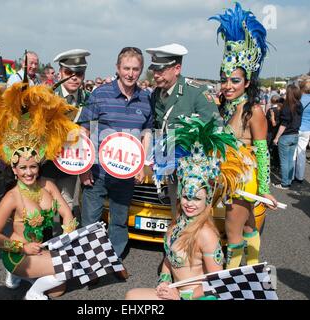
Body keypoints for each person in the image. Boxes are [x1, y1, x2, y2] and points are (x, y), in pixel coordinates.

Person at [0, 81, 79, 300]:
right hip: (18, 253)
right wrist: (21, 248)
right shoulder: (12, 197)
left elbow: (66, 213)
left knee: (58, 290)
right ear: (14, 170)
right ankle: (31, 292)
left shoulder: (48, 185)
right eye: (23, 168)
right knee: (67, 267)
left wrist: (67, 234)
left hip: (43, 248)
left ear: (39, 165)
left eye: (33, 166)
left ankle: (26, 278)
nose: (29, 172)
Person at [126, 117, 249, 300]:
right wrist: (164, 280)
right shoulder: (177, 224)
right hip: (175, 293)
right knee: (132, 296)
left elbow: (218, 282)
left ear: (207, 201)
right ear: (179, 196)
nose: (190, 203)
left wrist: (183, 297)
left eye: (197, 198)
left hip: (197, 297)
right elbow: (169, 259)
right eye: (186, 197)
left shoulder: (206, 234)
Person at [209, 2, 278, 269]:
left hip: (243, 180)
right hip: (231, 177)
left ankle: (230, 280)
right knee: (248, 227)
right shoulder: (226, 108)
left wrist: (264, 190)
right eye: (224, 79)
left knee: (233, 231)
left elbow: (262, 152)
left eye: (235, 80)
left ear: (248, 82)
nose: (228, 85)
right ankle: (251, 272)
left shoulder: (255, 111)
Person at [77, 47, 153, 280]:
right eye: (126, 68)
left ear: (141, 71)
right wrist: (84, 166)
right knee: (90, 219)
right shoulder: (100, 94)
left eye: (135, 69)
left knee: (119, 221)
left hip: (126, 173)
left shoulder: (146, 98)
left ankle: (113, 259)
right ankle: (87, 262)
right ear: (118, 68)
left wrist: (141, 164)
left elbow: (147, 133)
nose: (130, 73)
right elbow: (83, 130)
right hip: (97, 171)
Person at [145, 43, 222, 216]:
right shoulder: (156, 94)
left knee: (194, 220)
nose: (155, 75)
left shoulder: (195, 92)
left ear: (177, 68)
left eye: (161, 71)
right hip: (167, 166)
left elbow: (216, 128)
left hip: (193, 172)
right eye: (154, 70)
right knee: (176, 212)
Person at [41, 49, 91, 216]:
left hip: (71, 163)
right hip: (45, 161)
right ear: (60, 73)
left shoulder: (89, 98)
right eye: (69, 72)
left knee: (67, 206)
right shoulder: (46, 97)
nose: (74, 77)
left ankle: (64, 241)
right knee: (44, 208)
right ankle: (44, 242)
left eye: (79, 73)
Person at [272, 84, 303, 189]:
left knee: (285, 161)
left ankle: (285, 183)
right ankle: (288, 181)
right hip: (295, 135)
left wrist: (276, 138)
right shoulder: (299, 105)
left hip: (286, 136)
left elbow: (283, 124)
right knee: (290, 160)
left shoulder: (287, 107)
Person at [293, 79, 310, 183]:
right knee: (302, 153)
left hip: (297, 128)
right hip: (307, 129)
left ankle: (291, 175)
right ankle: (300, 176)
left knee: (293, 153)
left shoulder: (298, 99)